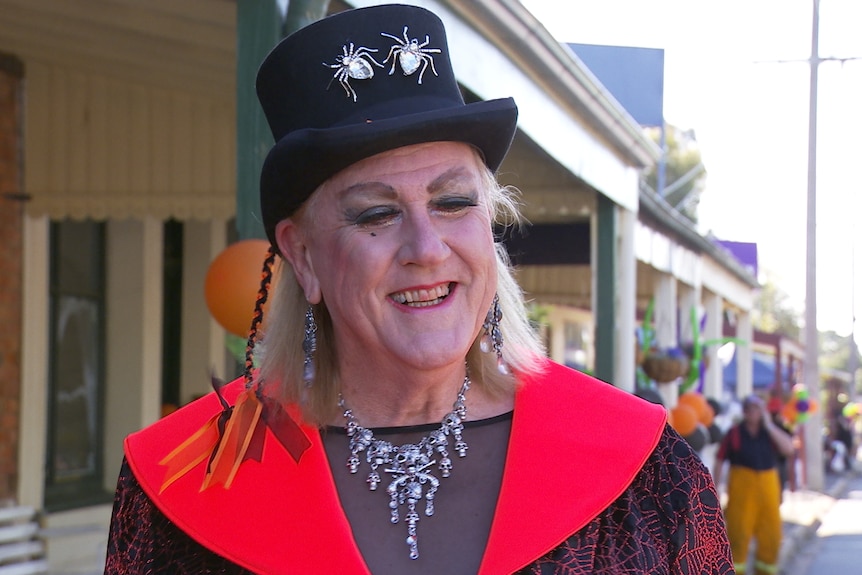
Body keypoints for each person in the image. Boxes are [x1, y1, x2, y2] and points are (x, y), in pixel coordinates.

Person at [103, 4, 732, 574]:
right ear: (303, 255)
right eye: (375, 214)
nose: (427, 249)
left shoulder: (644, 470)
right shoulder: (184, 487)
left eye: (454, 202)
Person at [713, 394, 795, 574]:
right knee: (738, 537)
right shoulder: (734, 432)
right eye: (749, 409)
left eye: (757, 409)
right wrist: (714, 490)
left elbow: (788, 448)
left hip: (768, 490)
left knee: (771, 537)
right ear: (744, 412)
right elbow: (719, 460)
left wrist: (769, 425)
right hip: (742, 493)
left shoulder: (770, 432)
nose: (753, 413)